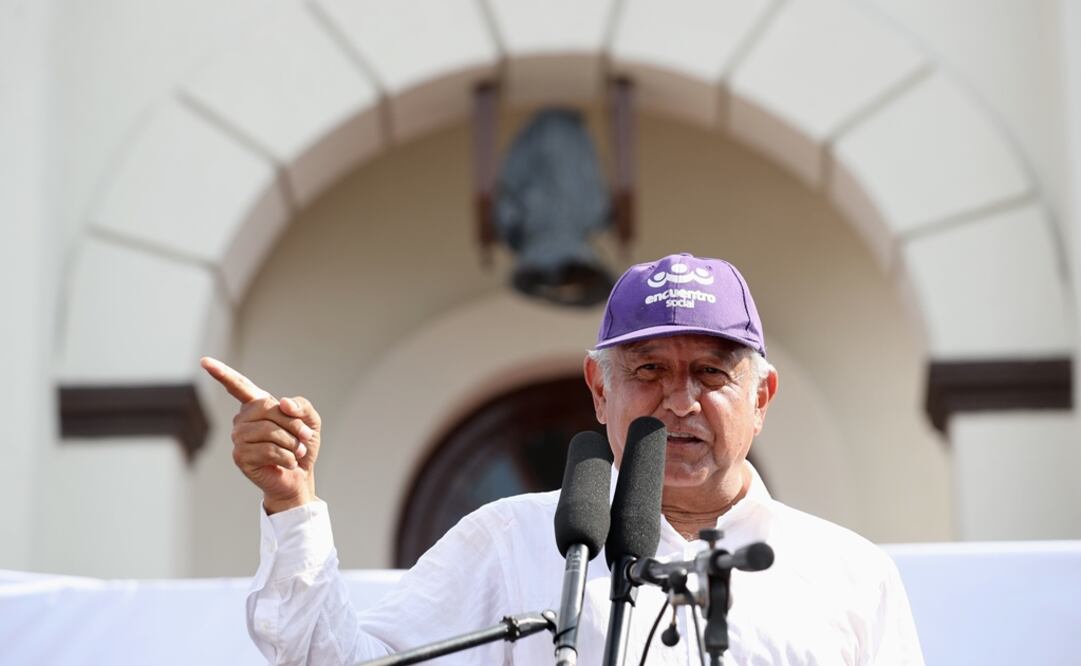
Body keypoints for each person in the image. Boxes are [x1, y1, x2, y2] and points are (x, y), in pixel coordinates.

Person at [203, 252, 924, 665]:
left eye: (710, 373)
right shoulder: (510, 543)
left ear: (760, 396)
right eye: (648, 371)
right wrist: (291, 503)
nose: (679, 400)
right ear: (599, 391)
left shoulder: (850, 575)